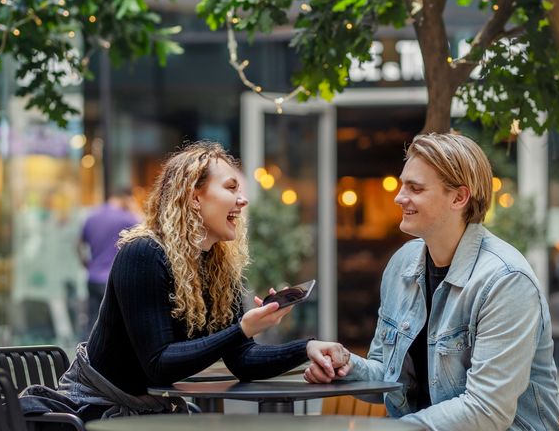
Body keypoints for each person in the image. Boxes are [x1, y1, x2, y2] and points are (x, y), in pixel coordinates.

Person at [21, 142, 348, 420]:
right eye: (231, 188)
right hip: (94, 412)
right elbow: (158, 365)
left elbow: (242, 360)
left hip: (153, 411)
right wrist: (242, 329)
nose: (243, 200)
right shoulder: (144, 253)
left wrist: (307, 348)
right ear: (194, 197)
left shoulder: (218, 267)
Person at [304, 133, 559, 431]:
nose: (399, 197)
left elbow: (486, 410)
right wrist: (346, 366)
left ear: (459, 197)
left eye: (415, 188)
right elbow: (390, 379)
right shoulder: (402, 264)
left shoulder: (505, 281)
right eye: (403, 185)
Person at [77, 187, 139, 334]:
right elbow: (150, 229)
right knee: (116, 324)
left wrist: (86, 264)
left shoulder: (92, 216)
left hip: (93, 277)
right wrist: (134, 208)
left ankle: (88, 354)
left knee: (93, 321)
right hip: (114, 279)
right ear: (126, 198)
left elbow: (79, 244)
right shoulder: (127, 218)